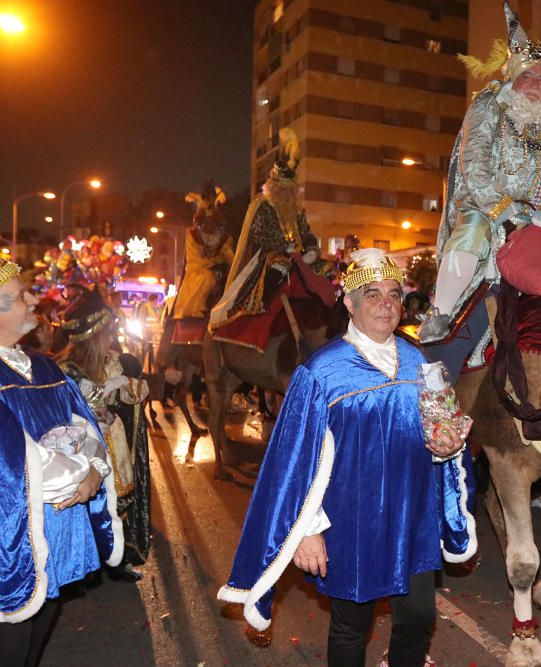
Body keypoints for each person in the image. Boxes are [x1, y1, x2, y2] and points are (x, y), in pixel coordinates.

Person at [219, 248, 476, 667]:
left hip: (412, 516)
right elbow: (293, 462)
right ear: (349, 303)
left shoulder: (419, 363)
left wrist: (448, 448)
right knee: (350, 627)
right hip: (350, 524)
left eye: (393, 294)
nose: (386, 304)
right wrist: (307, 529)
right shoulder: (321, 373)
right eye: (372, 294)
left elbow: (438, 431)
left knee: (417, 617)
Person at [418, 0, 541, 343]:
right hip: (490, 207)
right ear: (512, 80)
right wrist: (503, 210)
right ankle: (441, 314)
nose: (536, 84)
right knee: (472, 235)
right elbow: (473, 164)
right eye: (527, 76)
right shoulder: (488, 107)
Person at [0, 260, 122, 665]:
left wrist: (94, 467)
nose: (35, 299)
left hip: (56, 526)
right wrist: (79, 477)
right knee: (12, 634)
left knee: (44, 614)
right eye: (21, 296)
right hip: (12, 531)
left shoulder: (43, 364)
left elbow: (80, 423)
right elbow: (14, 454)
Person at [210, 127, 337, 352]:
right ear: (275, 183)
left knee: (326, 267)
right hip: (271, 254)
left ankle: (324, 320)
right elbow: (261, 234)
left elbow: (306, 232)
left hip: (298, 255)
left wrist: (311, 249)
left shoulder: (297, 209)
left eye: (290, 188)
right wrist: (284, 246)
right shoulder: (263, 205)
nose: (287, 192)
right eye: (283, 187)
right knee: (280, 265)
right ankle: (262, 306)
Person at [58, 290, 151, 581]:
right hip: (84, 447)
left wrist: (123, 381)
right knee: (87, 502)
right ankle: (86, 561)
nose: (113, 335)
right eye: (108, 331)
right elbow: (60, 411)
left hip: (115, 443)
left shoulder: (113, 362)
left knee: (119, 502)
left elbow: (137, 394)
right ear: (94, 335)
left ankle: (117, 558)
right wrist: (89, 411)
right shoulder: (63, 369)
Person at [173, 180, 235, 322]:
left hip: (221, 273)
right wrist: (213, 264)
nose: (210, 224)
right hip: (198, 273)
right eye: (206, 222)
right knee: (207, 278)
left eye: (213, 221)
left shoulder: (223, 239)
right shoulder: (193, 237)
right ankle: (196, 309)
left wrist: (233, 267)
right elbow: (194, 261)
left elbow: (231, 258)